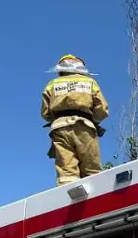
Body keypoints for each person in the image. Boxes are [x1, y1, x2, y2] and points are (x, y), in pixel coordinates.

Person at [41, 54, 109, 186]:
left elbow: (45, 112)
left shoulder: (52, 85)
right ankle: (95, 194)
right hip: (85, 125)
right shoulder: (90, 82)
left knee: (66, 170)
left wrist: (57, 119)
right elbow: (102, 110)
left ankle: (69, 194)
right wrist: (93, 119)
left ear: (60, 68)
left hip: (59, 128)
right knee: (91, 166)